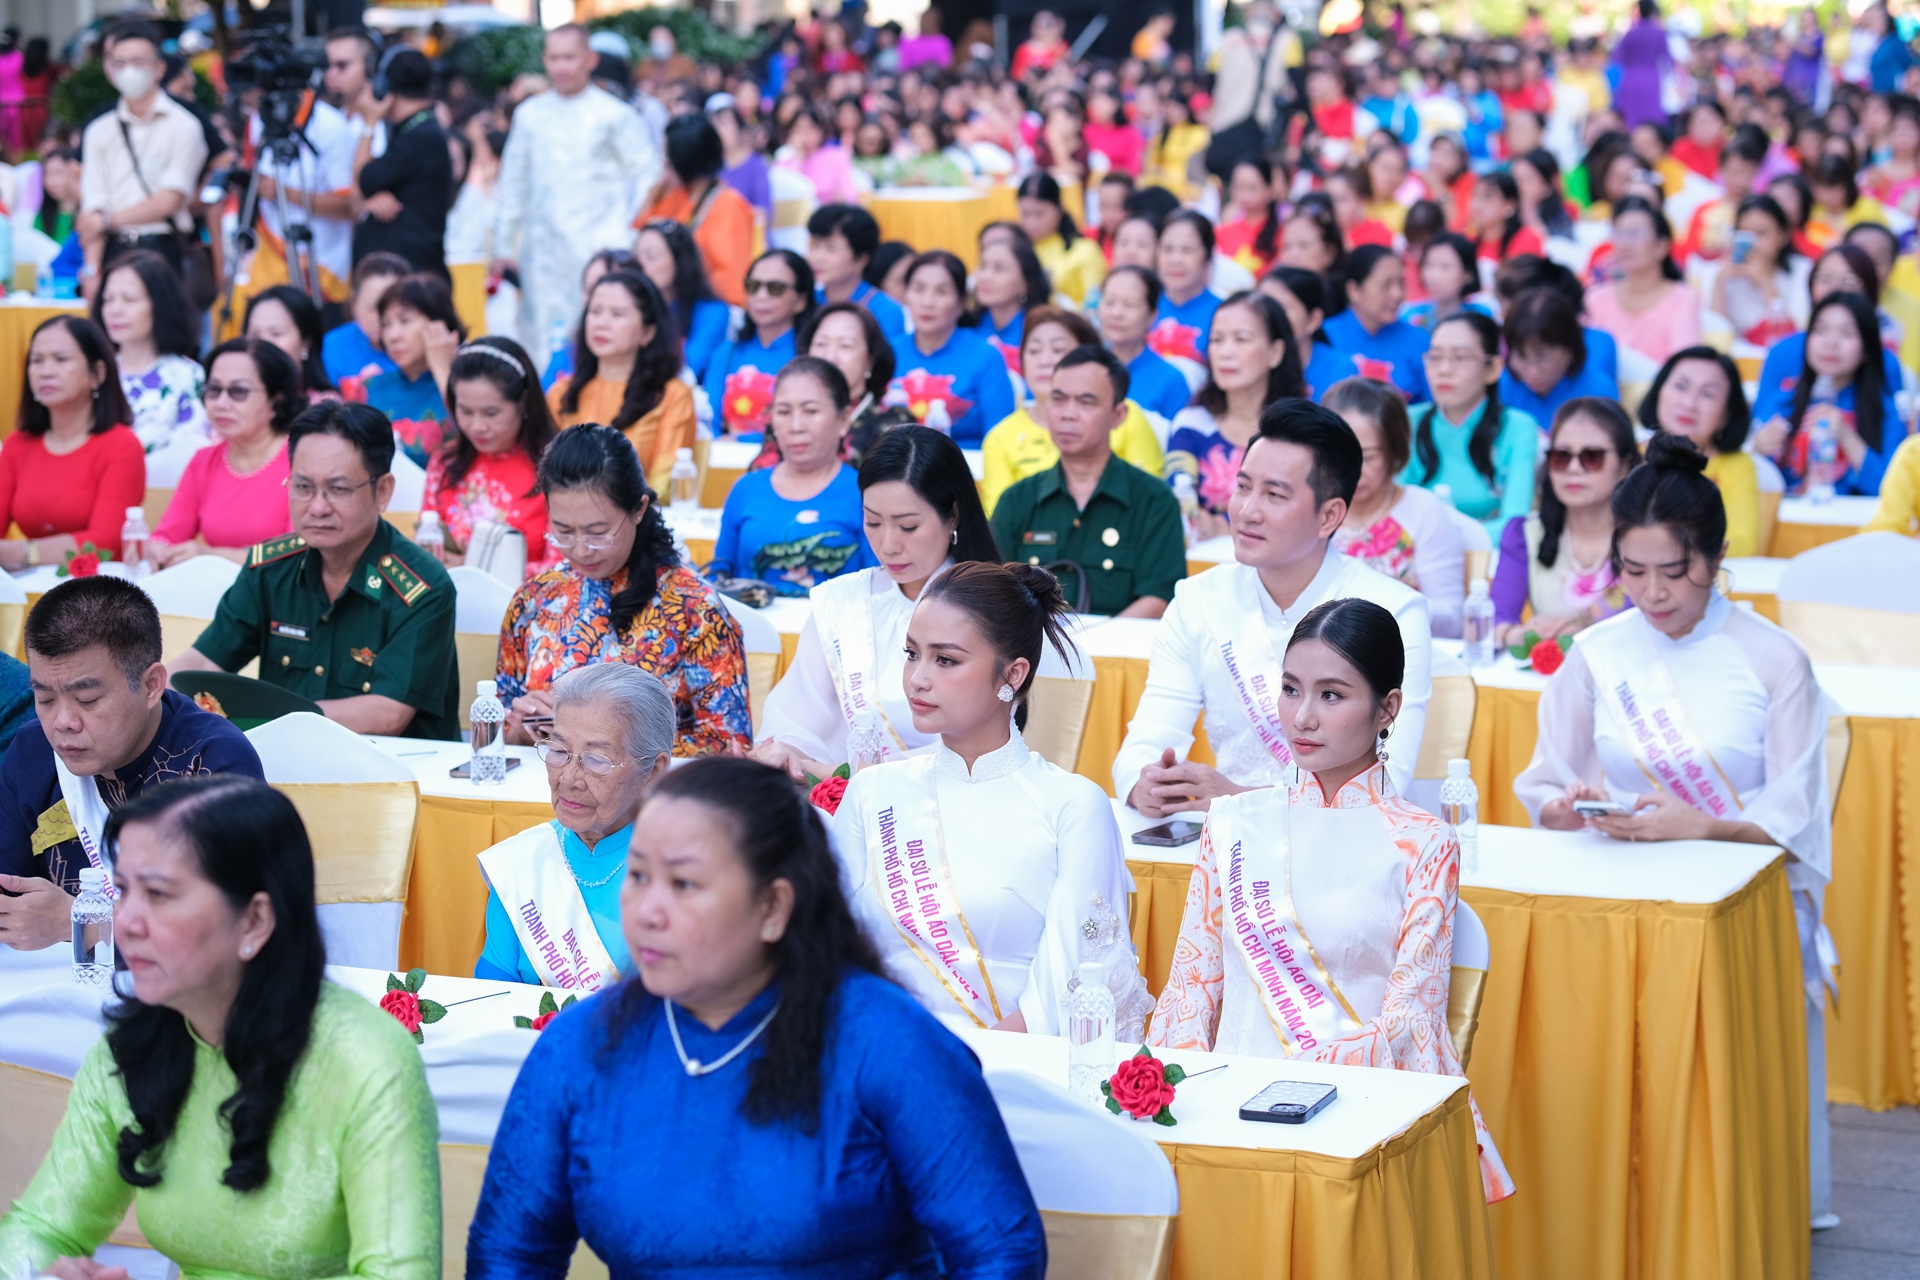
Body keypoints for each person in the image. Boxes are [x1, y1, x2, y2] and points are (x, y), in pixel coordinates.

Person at [466, 755, 1046, 1276]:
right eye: (638, 876)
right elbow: (510, 1254)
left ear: (773, 907)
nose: (648, 911)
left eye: (684, 884)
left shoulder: (887, 1043)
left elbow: (1000, 1252)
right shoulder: (582, 1046)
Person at [1514, 433, 1838, 1228]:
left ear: (1718, 556)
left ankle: (1737, 1203)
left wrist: (1710, 827)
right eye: (1634, 572)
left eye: (1676, 572)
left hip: (1740, 896)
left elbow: (1796, 816)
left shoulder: (1774, 659)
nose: (1654, 595)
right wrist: (1567, 805)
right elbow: (1547, 781)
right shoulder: (1595, 652)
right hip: (1615, 885)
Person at [1144, 595, 1513, 1198]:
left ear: (1387, 708)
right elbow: (1192, 986)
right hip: (1225, 1117)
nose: (1302, 717)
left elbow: (1409, 1019)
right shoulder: (1235, 823)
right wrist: (1165, 1101)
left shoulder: (1425, 842)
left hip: (1352, 1120)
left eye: (1332, 695)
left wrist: (1297, 1082)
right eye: (1291, 689)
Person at [0, 775, 443, 1276]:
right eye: (123, 891)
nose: (125, 924)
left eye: (161, 895)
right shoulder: (135, 1046)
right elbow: (40, 1227)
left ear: (255, 920)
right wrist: (41, 1272)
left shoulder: (367, 1061)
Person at [833, 559, 1155, 1036]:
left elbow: (1071, 992)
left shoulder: (1071, 806)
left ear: (1014, 674)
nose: (917, 678)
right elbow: (830, 954)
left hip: (1011, 1079)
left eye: (946, 660)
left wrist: (955, 1069)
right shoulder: (871, 792)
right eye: (910, 653)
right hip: (876, 1060)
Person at [1117, 399, 1433, 814]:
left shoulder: (1394, 610)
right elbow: (1148, 739)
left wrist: (1235, 800)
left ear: (1329, 516)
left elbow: (1389, 782)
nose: (1247, 511)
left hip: (1343, 849)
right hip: (1222, 845)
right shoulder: (1199, 599)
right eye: (1243, 487)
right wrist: (1149, 783)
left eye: (1274, 494)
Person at [0, 580, 264, 951]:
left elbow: (233, 924)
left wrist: (82, 922)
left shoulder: (215, 763)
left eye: (87, 700)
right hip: (53, 987)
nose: (62, 722)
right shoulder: (32, 750)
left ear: (152, 685)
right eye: (44, 699)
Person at [175, 402, 461, 740]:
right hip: (285, 764)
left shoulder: (422, 586)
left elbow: (387, 714)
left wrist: (263, 719)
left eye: (338, 489)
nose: (318, 507)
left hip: (395, 774)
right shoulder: (270, 568)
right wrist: (148, 695)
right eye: (303, 487)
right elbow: (206, 662)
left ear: (382, 491)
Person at [754, 426, 997, 779]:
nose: (888, 545)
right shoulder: (842, 602)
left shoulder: (989, 609)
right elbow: (797, 716)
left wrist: (843, 773)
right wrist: (784, 753)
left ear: (954, 515)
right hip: (839, 801)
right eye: (872, 522)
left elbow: (983, 746)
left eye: (908, 526)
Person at [496, 425, 750, 755]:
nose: (581, 550)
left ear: (639, 509)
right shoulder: (534, 599)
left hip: (654, 800)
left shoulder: (694, 608)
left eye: (598, 532)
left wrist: (590, 738)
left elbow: (731, 746)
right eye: (563, 531)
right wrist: (519, 729)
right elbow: (497, 714)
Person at [476, 664, 673, 987]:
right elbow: (491, 997)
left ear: (653, 771)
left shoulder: (685, 874)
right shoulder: (524, 862)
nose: (568, 779)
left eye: (596, 760)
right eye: (558, 751)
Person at [493, 24, 662, 376]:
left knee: (598, 335)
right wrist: (503, 245)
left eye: (569, 57)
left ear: (590, 59)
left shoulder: (615, 115)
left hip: (599, 247)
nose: (561, 67)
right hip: (542, 254)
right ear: (544, 61)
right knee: (539, 339)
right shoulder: (529, 115)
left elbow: (650, 174)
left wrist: (627, 230)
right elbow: (513, 183)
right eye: (554, 58)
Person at [991, 346, 1186, 619]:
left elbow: (1158, 598)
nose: (1068, 414)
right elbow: (992, 592)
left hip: (1118, 654)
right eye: (1058, 399)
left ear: (1118, 415)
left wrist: (1087, 650)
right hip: (1035, 653)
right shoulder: (1017, 500)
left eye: (1086, 402)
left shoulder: (1154, 500)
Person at [709, 358, 873, 594]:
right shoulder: (746, 489)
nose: (796, 426)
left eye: (810, 411)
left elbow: (880, 591)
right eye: (784, 411)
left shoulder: (864, 494)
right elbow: (718, 579)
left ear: (843, 419)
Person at [1491, 398, 1640, 647]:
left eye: (1591, 457)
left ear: (1625, 465)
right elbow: (1499, 621)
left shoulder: (1649, 538)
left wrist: (1581, 633)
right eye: (1561, 457)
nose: (1573, 468)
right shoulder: (1524, 535)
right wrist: (1522, 634)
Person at [980, 309, 1164, 511]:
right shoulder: (1000, 438)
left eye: (1058, 350)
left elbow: (1150, 502)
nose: (1045, 361)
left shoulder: (1126, 417)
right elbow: (1000, 524)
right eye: (1034, 351)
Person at [1323, 378, 1467, 637]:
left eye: (1368, 457)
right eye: (1339, 453)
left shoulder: (1422, 510)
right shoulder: (1311, 509)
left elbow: (1452, 621)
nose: (1353, 469)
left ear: (1394, 451)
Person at [0, 317, 145, 570]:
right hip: (28, 584)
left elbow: (104, 541)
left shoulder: (122, 445)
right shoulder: (17, 443)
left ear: (97, 373)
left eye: (61, 359)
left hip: (96, 593)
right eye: (36, 361)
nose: (45, 371)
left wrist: (22, 552)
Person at [75, 20, 208, 287]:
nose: (128, 71)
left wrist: (107, 220)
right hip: (112, 250)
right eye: (118, 63)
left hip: (162, 247)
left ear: (159, 69)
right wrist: (91, 270)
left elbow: (168, 201)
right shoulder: (99, 131)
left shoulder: (185, 126)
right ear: (109, 69)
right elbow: (93, 210)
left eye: (137, 61)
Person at [1165, 292, 1305, 538]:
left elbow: (1303, 511)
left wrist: (1222, 525)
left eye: (1241, 339)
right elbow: (1179, 495)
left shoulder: (1300, 430)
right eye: (1217, 340)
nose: (1225, 352)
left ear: (1275, 352)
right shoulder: (1192, 423)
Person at [152, 338, 300, 567]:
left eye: (238, 391)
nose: (221, 403)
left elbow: (298, 548)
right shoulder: (204, 461)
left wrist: (214, 556)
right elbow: (169, 535)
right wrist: (157, 550)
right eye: (213, 390)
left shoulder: (302, 459)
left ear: (276, 398)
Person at [547, 271, 697, 492]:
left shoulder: (672, 397)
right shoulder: (561, 394)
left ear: (647, 332)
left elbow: (662, 487)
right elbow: (543, 474)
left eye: (617, 314)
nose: (601, 323)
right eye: (595, 311)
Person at [1750, 291, 1907, 497]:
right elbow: (1754, 484)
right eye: (1821, 330)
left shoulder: (1885, 412)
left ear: (1867, 350)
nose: (1830, 343)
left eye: (1846, 334)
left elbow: (1892, 490)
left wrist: (1846, 435)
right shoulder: (1783, 402)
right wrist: (1758, 451)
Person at [424, 337, 559, 576]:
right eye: (465, 411)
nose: (477, 426)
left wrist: (475, 568)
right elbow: (424, 545)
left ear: (523, 403)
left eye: (491, 413)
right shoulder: (445, 463)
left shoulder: (557, 470)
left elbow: (563, 569)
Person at [1402, 311, 1539, 536]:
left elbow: (1514, 524)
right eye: (1435, 357)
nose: (1444, 370)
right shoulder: (1408, 421)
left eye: (1460, 357)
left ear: (1492, 369)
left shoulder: (1518, 427)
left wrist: (1443, 543)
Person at [1640, 347, 1761, 557]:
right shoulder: (1627, 456)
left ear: (1726, 414)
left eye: (1707, 394)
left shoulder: (1737, 466)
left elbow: (1741, 541)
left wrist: (1670, 556)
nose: (1689, 403)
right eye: (1680, 386)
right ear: (1659, 391)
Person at [888, 251, 1015, 448]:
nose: (927, 302)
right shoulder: (888, 352)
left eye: (941, 291)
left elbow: (1001, 441)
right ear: (906, 294)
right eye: (919, 289)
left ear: (962, 302)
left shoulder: (986, 357)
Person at [90, 249, 208, 457]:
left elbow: (192, 451)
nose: (115, 310)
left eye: (129, 299)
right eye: (108, 299)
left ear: (160, 304)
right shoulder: (93, 375)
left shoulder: (188, 376)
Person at [348, 48, 452, 280]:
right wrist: (369, 201)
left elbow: (363, 180)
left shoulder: (421, 136)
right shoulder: (417, 131)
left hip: (409, 275)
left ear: (383, 87)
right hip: (404, 270)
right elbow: (363, 191)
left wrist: (369, 123)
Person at [638, 113, 758, 308]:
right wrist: (655, 194)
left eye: (669, 156)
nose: (665, 163)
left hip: (707, 310)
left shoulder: (729, 205)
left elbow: (731, 285)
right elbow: (639, 233)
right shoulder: (676, 196)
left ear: (683, 160)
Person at [707, 250, 816, 439]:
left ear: (801, 300)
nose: (761, 295)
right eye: (753, 286)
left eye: (775, 288)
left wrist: (742, 440)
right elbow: (708, 421)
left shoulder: (813, 355)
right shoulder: (727, 352)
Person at [1584, 196, 1702, 369]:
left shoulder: (1683, 299)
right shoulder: (1596, 298)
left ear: (1661, 246)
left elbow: (1684, 366)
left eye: (1635, 234)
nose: (1625, 243)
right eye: (1619, 233)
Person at [361, 273, 464, 470]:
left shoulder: (471, 380)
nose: (393, 335)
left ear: (439, 323)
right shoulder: (372, 386)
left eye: (405, 320)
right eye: (386, 324)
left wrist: (443, 370)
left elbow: (472, 435)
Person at [800, 302, 918, 464]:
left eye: (845, 346)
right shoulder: (790, 415)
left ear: (871, 359)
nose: (830, 357)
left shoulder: (894, 425)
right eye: (821, 344)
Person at [1318, 245, 1431, 403]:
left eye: (1401, 283)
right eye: (1386, 285)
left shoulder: (1419, 340)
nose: (1397, 293)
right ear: (1354, 290)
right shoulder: (1325, 336)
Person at [1499, 287, 1620, 427]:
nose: (1533, 370)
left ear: (1570, 347)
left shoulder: (1599, 393)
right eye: (1521, 356)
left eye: (1543, 357)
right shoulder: (1502, 388)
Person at [636, 220, 732, 384]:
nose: (641, 266)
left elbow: (691, 364)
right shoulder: (634, 309)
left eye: (651, 257)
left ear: (679, 259)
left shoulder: (713, 311)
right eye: (637, 259)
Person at [1707, 195, 1809, 348]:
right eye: (1743, 234)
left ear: (1783, 235)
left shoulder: (1803, 271)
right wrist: (1719, 282)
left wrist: (1765, 283)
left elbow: (1794, 335)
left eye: (1761, 233)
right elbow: (1715, 337)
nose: (1752, 243)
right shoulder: (1723, 274)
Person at [1096, 266, 1193, 424]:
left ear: (1152, 315)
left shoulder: (1171, 380)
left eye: (1129, 304)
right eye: (1109, 301)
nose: (1116, 313)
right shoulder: (1084, 368)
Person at [805, 203, 909, 341]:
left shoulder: (886, 312)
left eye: (831, 248)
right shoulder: (805, 301)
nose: (818, 257)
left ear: (861, 259)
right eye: (815, 245)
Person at [1147, 211, 1223, 385]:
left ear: (1207, 256)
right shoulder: (1143, 304)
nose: (1175, 260)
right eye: (1167, 249)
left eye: (1187, 250)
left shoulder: (1224, 312)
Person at [1017, 173, 1108, 308]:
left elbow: (1095, 307)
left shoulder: (1085, 250)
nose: (1032, 222)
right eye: (1025, 214)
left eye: (1039, 213)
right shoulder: (1017, 251)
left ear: (1058, 208)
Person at [322, 252, 409, 391]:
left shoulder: (421, 345)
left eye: (388, 307)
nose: (379, 318)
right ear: (353, 304)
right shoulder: (334, 344)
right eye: (370, 307)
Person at [969, 232, 1048, 372]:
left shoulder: (1040, 330)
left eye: (998, 269)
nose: (985, 277)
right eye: (982, 266)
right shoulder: (967, 325)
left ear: (1025, 282)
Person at [244, 286, 337, 400]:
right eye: (255, 334)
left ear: (306, 341)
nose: (264, 343)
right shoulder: (228, 399)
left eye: (276, 333)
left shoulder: (325, 408)